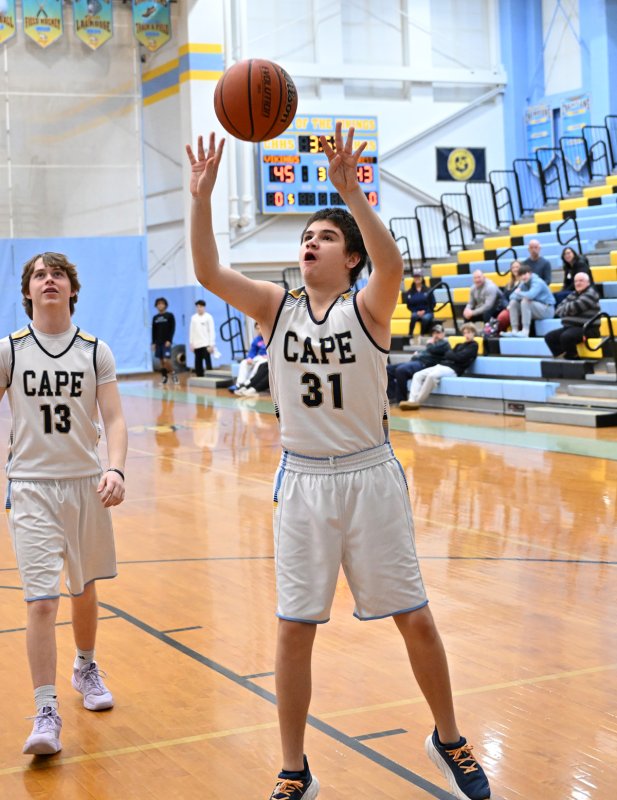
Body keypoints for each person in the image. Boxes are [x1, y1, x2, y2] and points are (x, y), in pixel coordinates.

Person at [186, 125, 491, 800]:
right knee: (294, 628)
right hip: (302, 481)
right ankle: (294, 768)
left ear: (349, 258)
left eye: (324, 237)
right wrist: (201, 198)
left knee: (414, 617)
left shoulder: (368, 305)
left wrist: (351, 191)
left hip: (368, 474)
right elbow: (207, 272)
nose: (309, 242)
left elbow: (394, 268)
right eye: (305, 237)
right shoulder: (275, 307)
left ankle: (448, 738)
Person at [0, 251, 127, 756]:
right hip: (30, 484)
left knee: (84, 587)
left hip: (84, 483)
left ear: (72, 289)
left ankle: (85, 665)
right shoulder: (10, 350)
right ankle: (45, 708)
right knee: (41, 599)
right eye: (38, 274)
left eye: (57, 274)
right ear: (28, 291)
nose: (48, 280)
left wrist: (115, 467)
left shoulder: (96, 351)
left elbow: (115, 419)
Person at [399, 323, 479, 410]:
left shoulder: (474, 346)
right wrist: (453, 356)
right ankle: (411, 400)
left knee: (431, 376)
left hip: (454, 370)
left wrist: (453, 355)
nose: (466, 335)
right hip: (442, 365)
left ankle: (417, 402)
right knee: (417, 375)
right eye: (465, 333)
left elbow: (460, 358)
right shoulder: (459, 345)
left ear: (473, 333)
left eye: (469, 332)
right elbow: (448, 354)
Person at [386, 323, 451, 405]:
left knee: (401, 370)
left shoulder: (444, 344)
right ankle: (392, 396)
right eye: (434, 333)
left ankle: (401, 400)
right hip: (415, 362)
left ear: (443, 334)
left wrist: (429, 344)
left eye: (438, 333)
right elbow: (427, 351)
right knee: (388, 369)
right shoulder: (433, 344)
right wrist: (418, 354)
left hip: (424, 365)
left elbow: (432, 350)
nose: (435, 335)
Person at [545, 272, 601, 359]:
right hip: (571, 327)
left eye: (581, 281)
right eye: (576, 281)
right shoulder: (573, 294)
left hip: (588, 328)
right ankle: (561, 359)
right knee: (550, 337)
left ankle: (574, 360)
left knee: (567, 336)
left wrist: (567, 309)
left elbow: (575, 307)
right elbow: (559, 309)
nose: (578, 283)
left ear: (588, 282)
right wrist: (569, 309)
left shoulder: (591, 294)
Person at [503, 263, 555, 337]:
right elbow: (512, 296)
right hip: (536, 309)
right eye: (521, 275)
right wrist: (519, 294)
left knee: (525, 301)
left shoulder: (537, 282)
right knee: (513, 302)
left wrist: (519, 293)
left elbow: (530, 295)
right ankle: (514, 330)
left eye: (525, 274)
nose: (523, 277)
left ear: (530, 273)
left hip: (547, 310)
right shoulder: (524, 283)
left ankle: (525, 331)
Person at [232, 321, 268, 393]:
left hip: (267, 359)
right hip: (259, 357)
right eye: (257, 329)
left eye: (260, 328)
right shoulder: (256, 340)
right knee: (244, 362)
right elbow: (252, 351)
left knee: (259, 365)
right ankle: (240, 383)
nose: (259, 330)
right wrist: (249, 358)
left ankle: (249, 383)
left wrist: (268, 356)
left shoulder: (269, 338)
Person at [152, 297, 177, 385]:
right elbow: (153, 331)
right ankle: (164, 378)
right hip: (158, 342)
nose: (160, 305)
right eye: (158, 304)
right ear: (156, 306)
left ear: (165, 305)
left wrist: (169, 340)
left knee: (166, 360)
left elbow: (172, 329)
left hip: (166, 342)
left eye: (162, 304)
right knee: (161, 362)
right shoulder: (155, 317)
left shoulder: (170, 316)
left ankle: (173, 374)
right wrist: (153, 343)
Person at [403, 268, 435, 335]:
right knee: (413, 316)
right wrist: (416, 312)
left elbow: (433, 303)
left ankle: (422, 335)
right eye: (415, 277)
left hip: (428, 312)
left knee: (425, 318)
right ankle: (410, 335)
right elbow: (409, 305)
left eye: (418, 276)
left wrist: (425, 311)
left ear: (422, 277)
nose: (417, 278)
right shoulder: (410, 292)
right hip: (416, 312)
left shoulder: (428, 289)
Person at [189, 299, 216, 376]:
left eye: (200, 306)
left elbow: (212, 331)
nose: (199, 308)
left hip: (206, 344)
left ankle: (211, 377)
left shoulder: (208, 317)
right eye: (197, 307)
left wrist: (212, 344)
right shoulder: (193, 318)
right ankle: (199, 376)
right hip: (197, 344)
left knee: (207, 361)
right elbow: (192, 331)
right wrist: (191, 343)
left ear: (204, 307)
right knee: (198, 362)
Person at [496, 260, 522, 333]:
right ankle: (499, 336)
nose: (515, 269)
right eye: (513, 267)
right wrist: (507, 306)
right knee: (501, 318)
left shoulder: (524, 282)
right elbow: (503, 298)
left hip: (519, 308)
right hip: (509, 308)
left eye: (517, 267)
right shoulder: (508, 284)